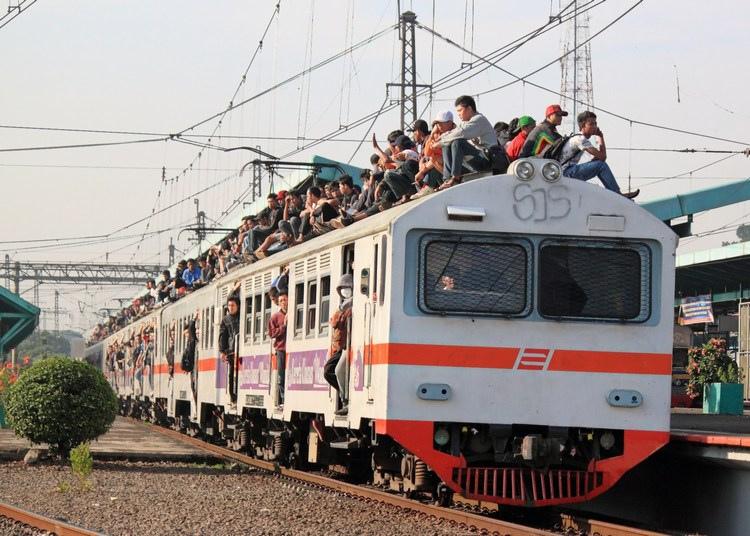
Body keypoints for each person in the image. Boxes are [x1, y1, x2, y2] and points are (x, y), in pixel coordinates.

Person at [560, 110, 640, 199]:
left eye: (595, 123)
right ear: (583, 126)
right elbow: (603, 157)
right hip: (566, 173)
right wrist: (600, 137)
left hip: (568, 172)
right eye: (591, 124)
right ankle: (617, 194)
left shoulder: (580, 138)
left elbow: (601, 158)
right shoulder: (580, 139)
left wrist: (601, 137)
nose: (595, 126)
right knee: (601, 165)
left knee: (599, 164)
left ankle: (616, 193)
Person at [438, 95, 497, 187]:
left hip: (487, 159)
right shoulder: (465, 122)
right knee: (447, 144)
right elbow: (454, 131)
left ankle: (455, 177)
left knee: (458, 142)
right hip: (477, 159)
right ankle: (447, 178)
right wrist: (442, 138)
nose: (458, 114)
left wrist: (440, 141)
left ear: (469, 108)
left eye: (460, 110)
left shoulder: (478, 119)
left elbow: (462, 133)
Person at [323, 274, 353, 415]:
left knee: (339, 370)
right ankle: (345, 396)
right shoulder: (343, 306)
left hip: (352, 344)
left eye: (347, 288)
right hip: (342, 346)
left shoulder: (353, 304)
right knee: (329, 370)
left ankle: (347, 400)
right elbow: (334, 323)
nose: (345, 292)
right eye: (342, 289)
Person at [218, 286, 241, 408]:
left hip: (241, 350)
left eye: (233, 305)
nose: (231, 308)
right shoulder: (225, 320)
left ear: (237, 306)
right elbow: (223, 336)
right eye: (229, 305)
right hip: (231, 351)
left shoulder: (242, 316)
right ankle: (233, 396)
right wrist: (222, 351)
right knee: (231, 375)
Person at [268, 291, 288, 407]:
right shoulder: (275, 317)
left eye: (285, 299)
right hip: (281, 348)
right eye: (281, 301)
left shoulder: (293, 313)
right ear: (278, 303)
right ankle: (283, 397)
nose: (283, 302)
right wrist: (283, 327)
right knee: (281, 375)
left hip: (291, 348)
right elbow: (271, 333)